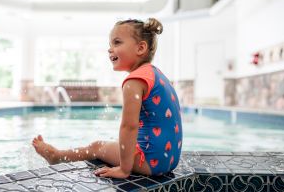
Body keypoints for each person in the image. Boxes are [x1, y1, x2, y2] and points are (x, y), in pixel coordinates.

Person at [32, 18, 183, 178]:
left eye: (117, 43)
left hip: (151, 163)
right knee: (116, 143)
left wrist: (124, 169)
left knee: (97, 146)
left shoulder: (134, 81)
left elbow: (129, 127)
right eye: (110, 45)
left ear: (140, 48)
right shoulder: (155, 74)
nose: (110, 49)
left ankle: (57, 156)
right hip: (170, 160)